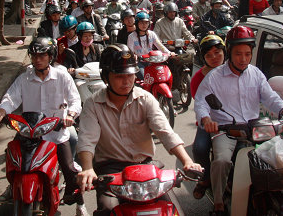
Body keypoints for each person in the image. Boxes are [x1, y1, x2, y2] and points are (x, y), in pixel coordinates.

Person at [76, 45, 203, 215]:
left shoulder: (145, 98)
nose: (127, 81)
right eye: (119, 76)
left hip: (145, 167)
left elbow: (165, 132)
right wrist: (87, 168)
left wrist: (187, 161)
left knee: (170, 208)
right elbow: (87, 138)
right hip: (110, 170)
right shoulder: (93, 104)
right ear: (105, 77)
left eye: (130, 75)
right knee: (107, 209)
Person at [194, 26, 283, 215]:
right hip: (226, 130)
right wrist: (206, 118)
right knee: (221, 161)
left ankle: (279, 194)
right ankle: (218, 203)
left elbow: (270, 97)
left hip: (255, 127)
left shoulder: (256, 74)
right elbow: (201, 102)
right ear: (230, 53)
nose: (243, 59)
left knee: (279, 156)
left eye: (247, 54)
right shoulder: (214, 77)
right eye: (238, 54)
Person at [0, 37, 85, 210]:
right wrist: (2, 112)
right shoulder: (24, 78)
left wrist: (71, 115)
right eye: (34, 56)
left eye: (42, 56)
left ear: (51, 56)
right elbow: (11, 97)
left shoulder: (62, 76)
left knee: (69, 168)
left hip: (56, 134)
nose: (37, 60)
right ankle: (13, 186)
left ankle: (79, 203)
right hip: (30, 133)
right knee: (13, 158)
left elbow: (75, 100)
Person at [189, 34, 226, 200]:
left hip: (234, 120)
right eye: (209, 55)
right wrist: (207, 119)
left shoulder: (235, 71)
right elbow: (199, 102)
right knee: (199, 148)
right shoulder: (198, 78)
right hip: (208, 121)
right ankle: (204, 179)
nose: (214, 57)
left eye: (217, 52)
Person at [127, 11, 172, 78]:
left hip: (152, 60)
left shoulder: (152, 34)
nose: (144, 25)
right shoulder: (131, 37)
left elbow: (160, 46)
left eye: (146, 22)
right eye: (141, 22)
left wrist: (169, 53)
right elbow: (130, 52)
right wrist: (133, 56)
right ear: (137, 23)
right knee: (144, 77)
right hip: (139, 62)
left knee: (161, 75)